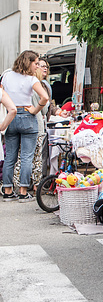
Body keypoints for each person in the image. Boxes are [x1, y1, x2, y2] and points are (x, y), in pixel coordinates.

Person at [2, 50, 50, 202]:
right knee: (26, 157)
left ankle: (8, 190)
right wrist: (35, 110)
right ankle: (23, 191)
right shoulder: (31, 80)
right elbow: (45, 97)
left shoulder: (7, 76)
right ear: (28, 62)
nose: (37, 66)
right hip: (28, 116)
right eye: (36, 63)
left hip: (11, 115)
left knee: (10, 156)